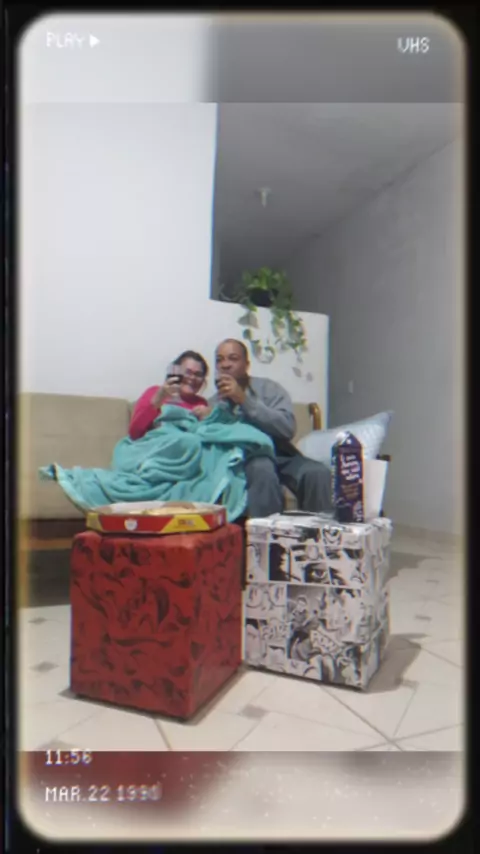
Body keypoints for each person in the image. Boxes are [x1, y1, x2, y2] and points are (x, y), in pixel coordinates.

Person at [210, 338, 332, 518]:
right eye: (219, 360)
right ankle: (268, 535)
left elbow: (287, 429)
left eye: (233, 358)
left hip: (282, 455)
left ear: (246, 364)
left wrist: (244, 400)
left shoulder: (269, 389)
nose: (225, 364)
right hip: (248, 460)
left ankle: (321, 532)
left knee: (317, 473)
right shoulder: (213, 404)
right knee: (262, 468)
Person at [129, 351, 210, 440]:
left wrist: (208, 418)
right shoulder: (154, 392)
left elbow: (205, 436)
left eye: (198, 375)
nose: (192, 378)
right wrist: (156, 401)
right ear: (176, 371)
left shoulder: (201, 403)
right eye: (188, 372)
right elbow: (134, 433)